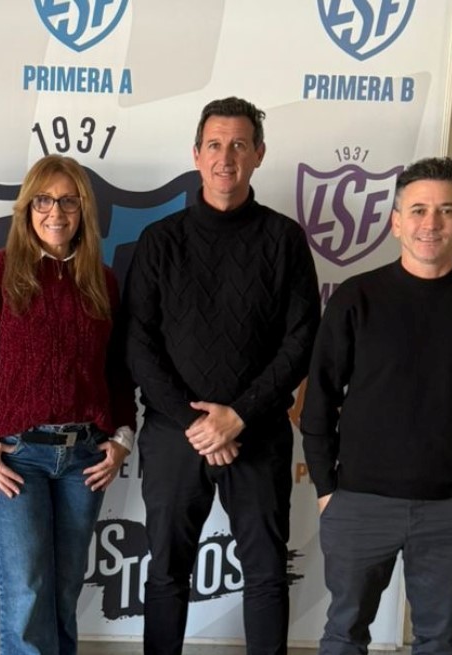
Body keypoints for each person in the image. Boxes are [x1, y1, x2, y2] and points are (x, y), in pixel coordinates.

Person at [300, 157, 452, 655]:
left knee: (438, 640)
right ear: (396, 222)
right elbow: (319, 397)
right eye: (419, 210)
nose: (432, 223)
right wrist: (326, 489)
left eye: (446, 210)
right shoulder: (356, 297)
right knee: (343, 635)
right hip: (358, 501)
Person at [125, 97, 321, 655]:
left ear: (259, 154)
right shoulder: (160, 240)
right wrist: (199, 425)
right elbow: (138, 343)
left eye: (239, 144)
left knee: (266, 574)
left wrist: (237, 417)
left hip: (257, 434)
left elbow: (301, 340)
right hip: (175, 435)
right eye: (214, 144)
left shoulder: (284, 239)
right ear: (196, 154)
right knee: (166, 572)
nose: (226, 157)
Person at [0, 154, 137, 654]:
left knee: (63, 594)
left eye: (69, 201)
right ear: (27, 208)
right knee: (27, 595)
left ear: (83, 211)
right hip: (17, 458)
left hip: (84, 458)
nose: (56, 212)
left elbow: (118, 371)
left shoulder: (102, 280)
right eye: (44, 200)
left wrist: (122, 437)